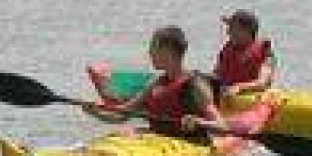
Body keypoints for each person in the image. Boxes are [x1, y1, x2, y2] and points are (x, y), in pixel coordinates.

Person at [85, 26, 227, 141]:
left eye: (153, 48)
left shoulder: (194, 85)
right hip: (157, 143)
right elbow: (121, 115)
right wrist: (95, 112)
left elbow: (222, 128)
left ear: (168, 51)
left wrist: (200, 122)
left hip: (187, 146)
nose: (149, 53)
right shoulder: (155, 83)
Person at [213, 9, 276, 98]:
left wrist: (239, 87)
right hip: (226, 98)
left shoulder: (265, 53)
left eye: (232, 28)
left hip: (253, 99)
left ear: (246, 31)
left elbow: (263, 82)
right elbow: (216, 77)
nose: (228, 32)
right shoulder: (227, 50)